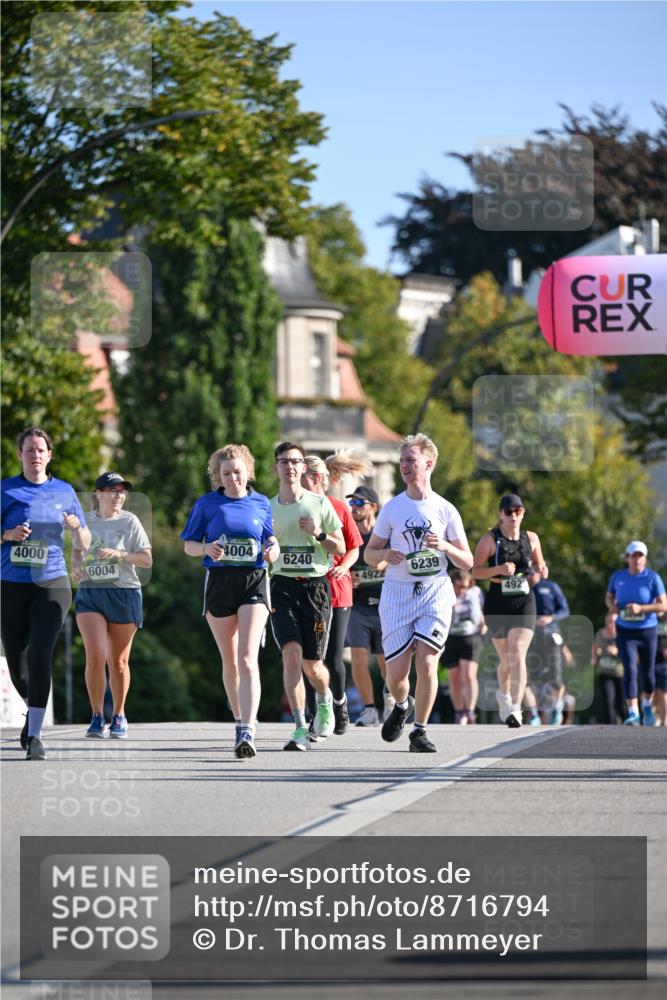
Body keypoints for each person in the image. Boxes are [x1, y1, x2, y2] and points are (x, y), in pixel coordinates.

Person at [365, 434, 473, 753]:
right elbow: (369, 553)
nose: (406, 467)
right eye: (402, 462)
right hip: (397, 593)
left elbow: (467, 562)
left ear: (429, 463)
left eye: (411, 461)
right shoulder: (392, 509)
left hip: (435, 591)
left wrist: (446, 546)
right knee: (395, 677)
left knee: (427, 663)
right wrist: (386, 556)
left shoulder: (445, 510)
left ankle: (420, 731)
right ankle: (402, 704)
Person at [181, 444, 278, 757]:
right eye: (227, 473)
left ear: (248, 471)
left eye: (238, 471)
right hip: (220, 582)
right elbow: (189, 546)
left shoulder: (262, 503)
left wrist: (273, 550)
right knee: (231, 659)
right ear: (218, 477)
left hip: (253, 580)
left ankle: (247, 729)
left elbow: (270, 538)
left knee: (248, 656)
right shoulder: (208, 504)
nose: (233, 477)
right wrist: (206, 549)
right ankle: (239, 717)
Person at [1, 427, 91, 760]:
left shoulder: (64, 492)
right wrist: (7, 534)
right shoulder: (6, 490)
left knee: (40, 653)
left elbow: (85, 542)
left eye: (41, 450)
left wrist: (76, 528)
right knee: (17, 666)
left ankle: (36, 735)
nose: (35, 455)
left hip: (52, 582)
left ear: (49, 455)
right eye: (29, 450)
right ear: (20, 456)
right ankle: (33, 714)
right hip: (11, 584)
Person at [269, 442, 344, 751]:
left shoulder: (319, 503)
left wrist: (318, 533)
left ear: (303, 468)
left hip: (315, 588)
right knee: (291, 656)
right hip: (282, 586)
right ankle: (300, 726)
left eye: (295, 461)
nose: (290, 467)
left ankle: (325, 700)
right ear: (276, 468)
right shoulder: (267, 507)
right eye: (284, 462)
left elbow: (340, 547)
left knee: (313, 665)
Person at [73, 472, 152, 740]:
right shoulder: (86, 521)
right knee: (95, 656)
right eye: (112, 490)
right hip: (91, 594)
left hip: (124, 594)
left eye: (122, 491)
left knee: (117, 662)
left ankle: (118, 714)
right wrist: (75, 567)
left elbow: (146, 560)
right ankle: (97, 716)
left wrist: (120, 554)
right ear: (98, 493)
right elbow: (76, 548)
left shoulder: (130, 521)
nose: (118, 495)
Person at [302, 451, 366, 736]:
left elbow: (354, 547)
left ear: (314, 478)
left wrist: (345, 568)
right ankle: (312, 712)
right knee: (308, 656)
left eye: (302, 476)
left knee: (333, 657)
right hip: (305, 590)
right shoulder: (294, 508)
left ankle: (338, 703)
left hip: (337, 590)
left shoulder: (338, 508)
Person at [472, 494, 548, 729]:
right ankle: (503, 694)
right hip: (497, 602)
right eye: (508, 512)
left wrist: (542, 570)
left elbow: (540, 564)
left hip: (524, 601)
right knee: (506, 659)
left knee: (517, 652)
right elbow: (475, 571)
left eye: (518, 511)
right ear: (501, 515)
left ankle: (515, 707)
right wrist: (499, 569)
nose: (513, 516)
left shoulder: (532, 538)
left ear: (523, 513)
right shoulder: (489, 540)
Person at [345, 485, 393, 727]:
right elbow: (341, 563)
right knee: (358, 657)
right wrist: (348, 577)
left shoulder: (385, 534)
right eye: (351, 503)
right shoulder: (349, 535)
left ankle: (390, 698)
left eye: (359, 503)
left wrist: (379, 566)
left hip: (386, 605)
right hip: (358, 606)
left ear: (373, 507)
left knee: (387, 662)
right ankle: (369, 709)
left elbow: (392, 559)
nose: (354, 508)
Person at [605, 540, 666, 726]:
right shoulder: (618, 577)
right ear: (627, 558)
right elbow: (609, 597)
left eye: (640, 556)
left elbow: (663, 605)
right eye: (633, 556)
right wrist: (613, 607)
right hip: (625, 630)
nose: (637, 559)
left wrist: (642, 608)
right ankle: (632, 712)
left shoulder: (652, 578)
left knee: (648, 675)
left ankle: (647, 704)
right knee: (630, 669)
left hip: (647, 630)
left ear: (645, 559)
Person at [440, 570, 485, 724]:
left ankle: (470, 710)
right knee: (454, 678)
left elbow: (480, 610)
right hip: (450, 638)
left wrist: (483, 624)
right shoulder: (445, 593)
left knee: (468, 675)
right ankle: (459, 712)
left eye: (465, 587)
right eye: (459, 587)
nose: (462, 590)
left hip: (470, 637)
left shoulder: (476, 592)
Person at [526, 569, 570, 724]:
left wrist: (551, 618)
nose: (529, 576)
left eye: (532, 572)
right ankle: (534, 714)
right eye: (527, 573)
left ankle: (557, 708)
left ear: (540, 572)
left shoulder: (551, 587)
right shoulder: (520, 587)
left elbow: (565, 610)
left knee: (556, 678)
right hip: (530, 638)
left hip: (551, 637)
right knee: (529, 680)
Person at [592, 612, 625, 725]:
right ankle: (609, 727)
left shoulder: (623, 635)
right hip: (604, 673)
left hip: (620, 674)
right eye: (608, 622)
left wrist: (617, 651)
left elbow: (632, 656)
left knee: (621, 704)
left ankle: (628, 725)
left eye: (613, 622)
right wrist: (595, 656)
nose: (610, 624)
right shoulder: (600, 634)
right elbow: (595, 650)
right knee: (608, 701)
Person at [654, 613, 667, 726]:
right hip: (650, 658)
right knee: (652, 691)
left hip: (664, 661)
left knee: (663, 691)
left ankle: (664, 720)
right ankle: (655, 717)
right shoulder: (651, 617)